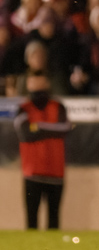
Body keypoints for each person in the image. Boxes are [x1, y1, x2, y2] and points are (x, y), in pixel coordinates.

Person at [14, 72, 72, 229]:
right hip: (32, 173)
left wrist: (38, 127)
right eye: (33, 82)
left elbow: (65, 128)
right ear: (28, 85)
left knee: (54, 221)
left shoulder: (57, 106)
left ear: (47, 83)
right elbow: (25, 134)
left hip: (56, 172)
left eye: (40, 81)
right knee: (31, 220)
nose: (37, 86)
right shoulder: (23, 109)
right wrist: (50, 130)